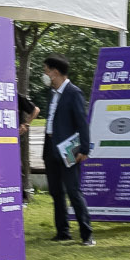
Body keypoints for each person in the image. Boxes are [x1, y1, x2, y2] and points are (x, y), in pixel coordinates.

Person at [39, 55, 94, 246]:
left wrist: (85, 148)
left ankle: (87, 234)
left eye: (46, 70)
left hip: (69, 148)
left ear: (55, 72)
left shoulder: (74, 93)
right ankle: (63, 231)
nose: (45, 74)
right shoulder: (52, 93)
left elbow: (82, 123)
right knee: (56, 192)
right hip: (50, 147)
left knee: (73, 190)